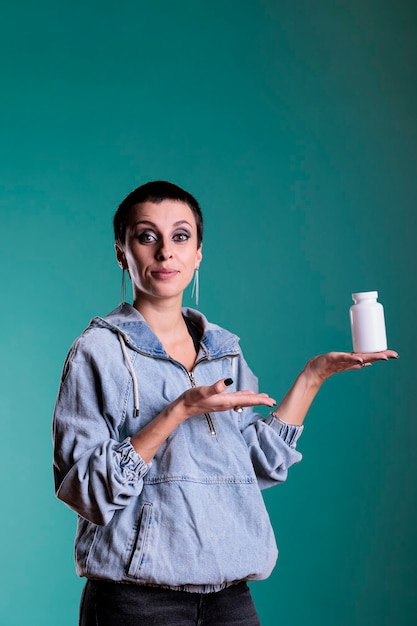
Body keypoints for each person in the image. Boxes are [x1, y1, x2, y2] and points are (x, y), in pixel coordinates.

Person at [52, 180, 397, 626]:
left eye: (180, 236)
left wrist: (314, 376)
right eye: (146, 236)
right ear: (122, 251)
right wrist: (177, 411)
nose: (165, 252)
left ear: (198, 254)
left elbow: (253, 464)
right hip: (136, 598)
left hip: (228, 597)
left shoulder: (222, 350)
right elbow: (85, 490)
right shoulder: (97, 351)